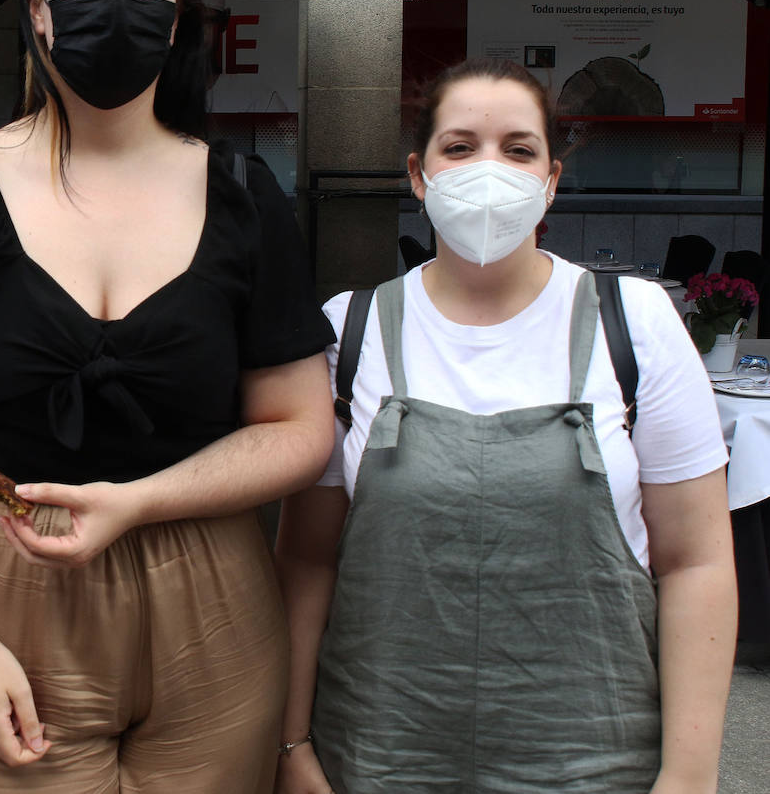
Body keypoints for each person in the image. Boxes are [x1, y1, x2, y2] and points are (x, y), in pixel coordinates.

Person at [0, 0, 335, 792]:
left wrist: (140, 501)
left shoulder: (245, 195)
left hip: (215, 596)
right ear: (38, 9)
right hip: (5, 584)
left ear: (178, 15)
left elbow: (301, 427)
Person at [275, 58, 737, 794]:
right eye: (459, 147)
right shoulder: (349, 333)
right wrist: (292, 744)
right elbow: (307, 561)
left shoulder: (635, 324)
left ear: (551, 180)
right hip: (379, 755)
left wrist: (688, 774)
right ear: (419, 175)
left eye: (518, 150)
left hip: (595, 762)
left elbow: (697, 565)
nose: (488, 170)